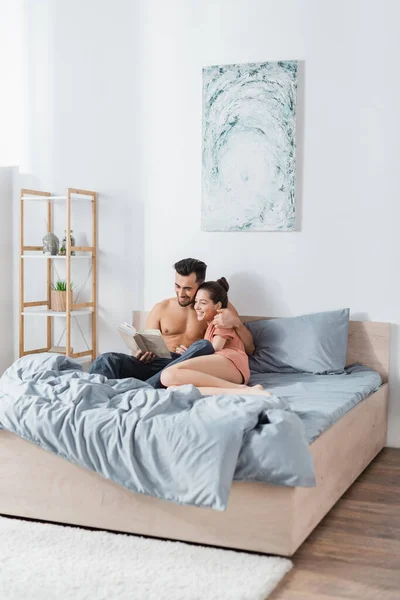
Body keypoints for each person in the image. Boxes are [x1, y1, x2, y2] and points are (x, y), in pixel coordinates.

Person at [88, 258, 255, 387]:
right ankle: (95, 396)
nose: (181, 293)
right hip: (159, 363)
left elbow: (249, 348)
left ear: (200, 285)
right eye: (177, 286)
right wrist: (142, 354)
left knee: (202, 345)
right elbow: (145, 347)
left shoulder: (213, 307)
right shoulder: (161, 308)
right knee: (106, 359)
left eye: (188, 289)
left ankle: (145, 386)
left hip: (188, 366)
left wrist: (237, 323)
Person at [160, 277, 268, 396]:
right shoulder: (210, 326)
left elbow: (214, 349)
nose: (196, 307)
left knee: (167, 375)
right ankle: (245, 392)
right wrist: (190, 353)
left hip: (232, 362)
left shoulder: (222, 319)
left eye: (203, 303)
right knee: (173, 388)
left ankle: (242, 388)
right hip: (227, 368)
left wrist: (191, 354)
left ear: (217, 306)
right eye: (196, 301)